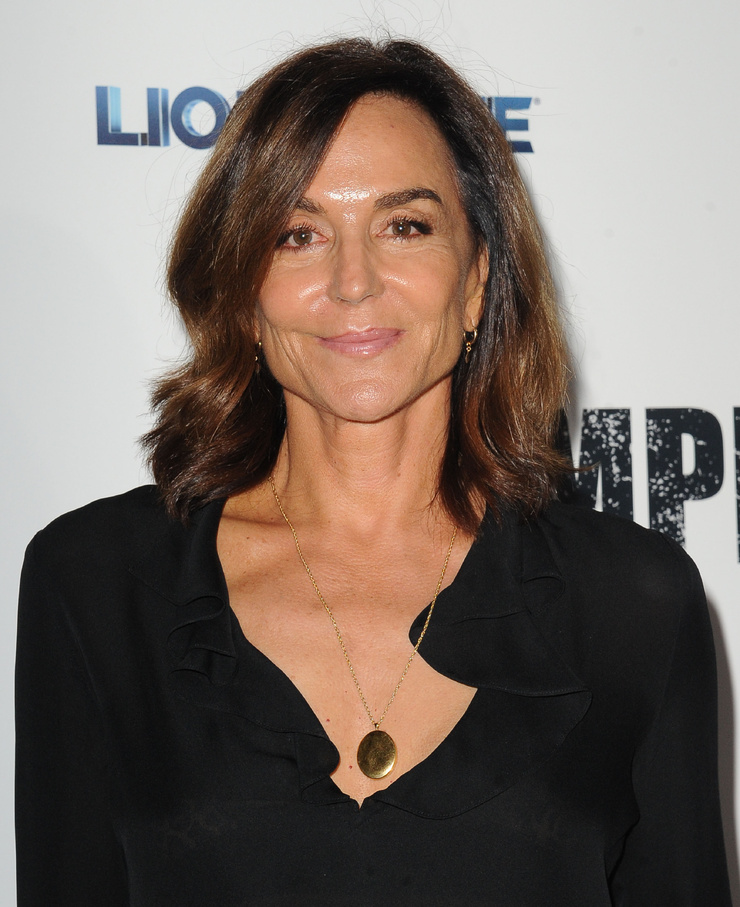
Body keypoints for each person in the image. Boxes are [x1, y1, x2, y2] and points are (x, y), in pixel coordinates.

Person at [15, 37, 731, 906]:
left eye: (405, 226)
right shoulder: (92, 585)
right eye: (299, 234)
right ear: (243, 293)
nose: (353, 282)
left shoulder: (636, 605)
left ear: (477, 279)